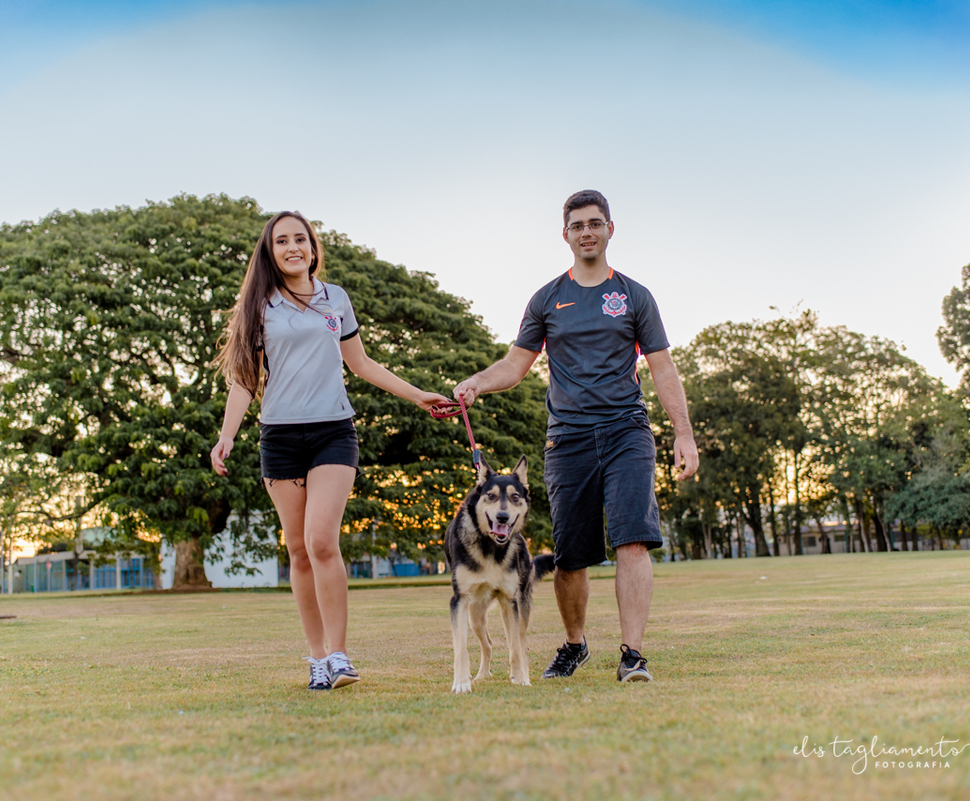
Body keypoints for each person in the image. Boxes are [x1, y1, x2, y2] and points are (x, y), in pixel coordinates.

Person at [453, 190, 698, 684]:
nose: (587, 232)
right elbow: (516, 364)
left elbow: (662, 367)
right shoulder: (546, 299)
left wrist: (683, 433)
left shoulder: (634, 295)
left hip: (627, 431)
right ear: (565, 234)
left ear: (611, 228)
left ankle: (632, 654)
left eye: (595, 223)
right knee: (571, 553)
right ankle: (574, 645)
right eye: (577, 225)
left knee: (633, 541)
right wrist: (478, 381)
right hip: (567, 440)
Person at [211, 211, 447, 691]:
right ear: (270, 251)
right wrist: (227, 435)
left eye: (301, 238)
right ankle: (316, 656)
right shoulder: (259, 305)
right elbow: (244, 379)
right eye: (282, 241)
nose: (293, 247)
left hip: (333, 432)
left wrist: (417, 394)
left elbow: (359, 363)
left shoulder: (334, 298)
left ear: (313, 247)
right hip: (278, 436)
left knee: (321, 541)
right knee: (297, 550)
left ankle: (339, 655)